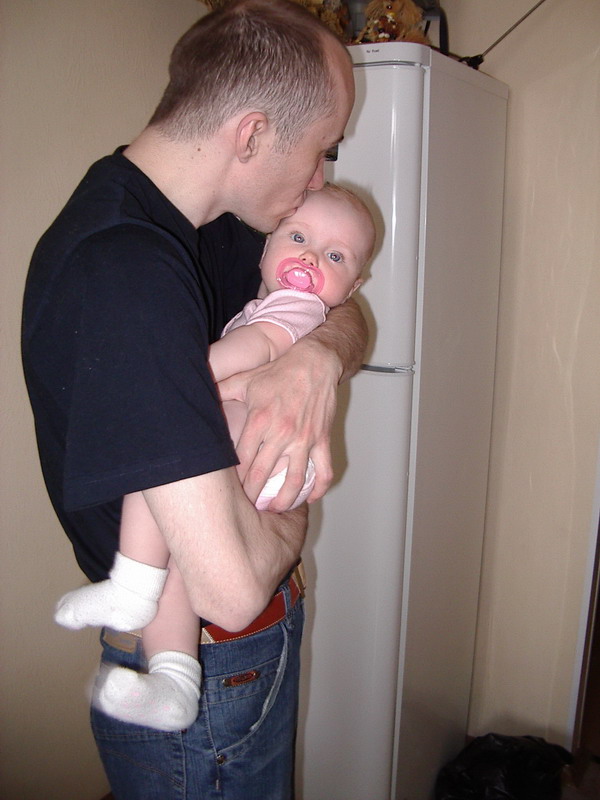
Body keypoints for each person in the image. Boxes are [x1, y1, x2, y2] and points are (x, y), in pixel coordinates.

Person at [21, 1, 366, 798]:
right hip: (205, 669)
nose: (320, 180)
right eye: (321, 151)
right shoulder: (126, 274)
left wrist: (315, 361)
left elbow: (337, 308)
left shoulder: (214, 219)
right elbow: (232, 588)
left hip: (242, 656)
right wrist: (294, 516)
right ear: (251, 135)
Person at [53, 184, 376, 732]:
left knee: (162, 449)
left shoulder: (295, 306)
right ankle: (174, 678)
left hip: (264, 449)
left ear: (354, 286)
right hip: (268, 457)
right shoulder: (264, 300)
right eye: (299, 239)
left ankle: (132, 586)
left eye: (335, 256)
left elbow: (259, 347)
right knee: (181, 545)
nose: (310, 259)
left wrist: (182, 378)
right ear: (266, 245)